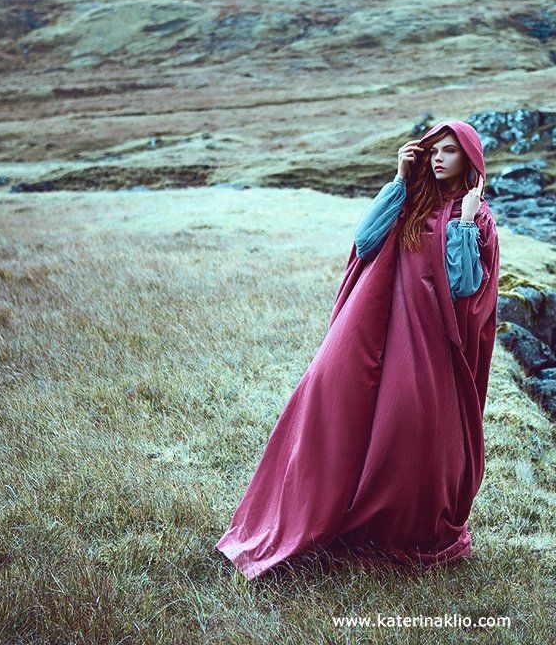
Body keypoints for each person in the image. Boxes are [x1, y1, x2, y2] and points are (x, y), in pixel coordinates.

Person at [215, 119, 502, 581]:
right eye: (434, 150)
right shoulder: (409, 199)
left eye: (450, 151)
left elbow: (463, 285)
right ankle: (321, 511)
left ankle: (397, 525)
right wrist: (398, 179)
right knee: (329, 401)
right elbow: (366, 242)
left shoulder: (479, 217)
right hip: (380, 329)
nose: (439, 158)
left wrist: (465, 221)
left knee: (409, 428)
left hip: (431, 345)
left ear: (470, 160)